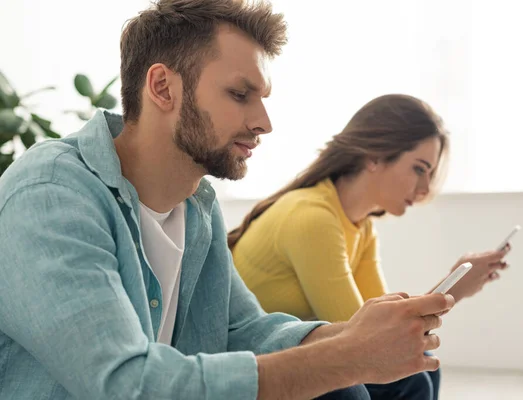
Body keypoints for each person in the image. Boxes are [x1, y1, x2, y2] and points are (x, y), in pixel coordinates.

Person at [0, 1, 457, 399]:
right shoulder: (52, 195)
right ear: (162, 87)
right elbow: (127, 385)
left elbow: (241, 330)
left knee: (345, 391)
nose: (263, 122)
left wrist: (349, 334)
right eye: (240, 94)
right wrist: (347, 356)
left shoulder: (195, 203)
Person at [229, 94, 511, 399]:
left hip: (289, 351)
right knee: (406, 379)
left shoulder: (360, 227)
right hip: (255, 364)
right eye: (419, 169)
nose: (425, 188)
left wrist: (455, 289)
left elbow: (380, 330)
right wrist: (453, 291)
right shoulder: (312, 218)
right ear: (374, 155)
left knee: (421, 366)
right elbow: (362, 340)